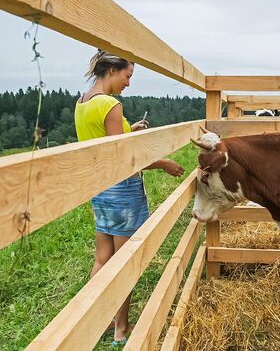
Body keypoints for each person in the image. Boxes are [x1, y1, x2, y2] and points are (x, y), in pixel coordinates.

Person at [74, 50, 185, 346]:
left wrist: (129, 129)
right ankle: (121, 329)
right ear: (112, 70)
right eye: (128, 76)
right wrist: (163, 163)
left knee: (102, 258)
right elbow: (125, 160)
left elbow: (104, 144)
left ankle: (92, 317)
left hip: (100, 188)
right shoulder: (111, 105)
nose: (128, 83)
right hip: (123, 190)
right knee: (124, 264)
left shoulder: (83, 102)